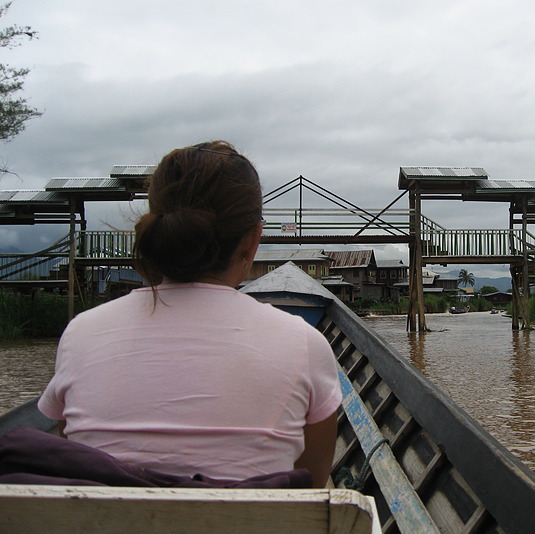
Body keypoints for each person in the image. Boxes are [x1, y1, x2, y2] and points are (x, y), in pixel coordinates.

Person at [38, 141, 342, 488]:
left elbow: (71, 460)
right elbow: (311, 488)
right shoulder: (304, 343)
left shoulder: (80, 334)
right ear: (252, 240)